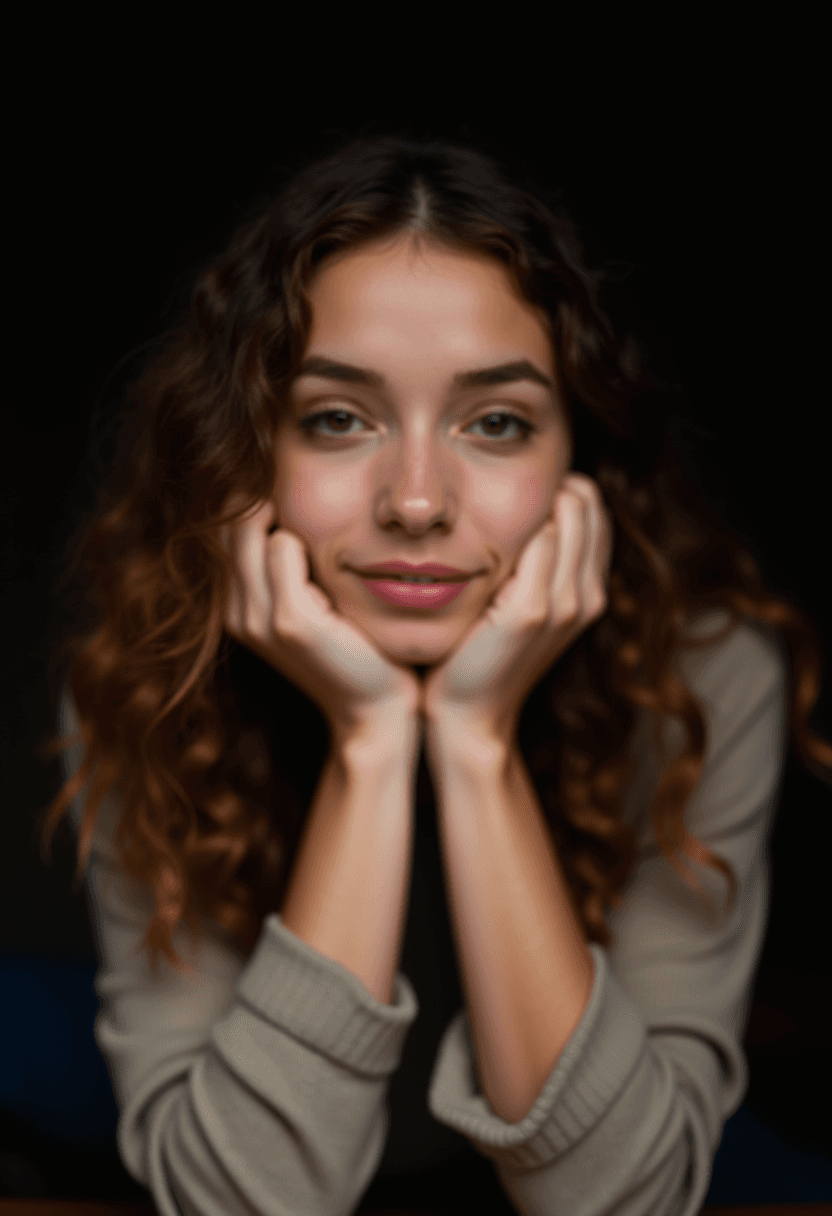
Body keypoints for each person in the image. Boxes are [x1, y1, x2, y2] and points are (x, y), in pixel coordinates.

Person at [38, 127, 832, 1216]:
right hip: (226, 1097)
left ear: (578, 465)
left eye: (496, 422)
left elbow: (622, 1201)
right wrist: (368, 742)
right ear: (250, 452)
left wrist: (473, 741)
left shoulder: (700, 671)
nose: (417, 502)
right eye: (336, 418)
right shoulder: (152, 667)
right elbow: (240, 1202)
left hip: (626, 1122)